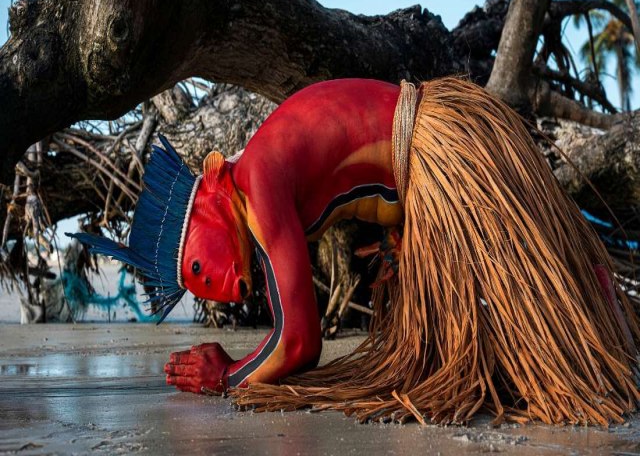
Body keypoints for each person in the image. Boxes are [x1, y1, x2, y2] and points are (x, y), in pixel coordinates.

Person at [70, 77, 640, 425]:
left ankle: (596, 357)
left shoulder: (257, 186)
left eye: (201, 268)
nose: (226, 290)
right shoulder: (262, 172)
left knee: (530, 282)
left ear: (211, 190)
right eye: (203, 287)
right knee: (542, 266)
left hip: (436, 156)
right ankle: (601, 341)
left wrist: (227, 375)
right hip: (439, 144)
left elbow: (299, 343)